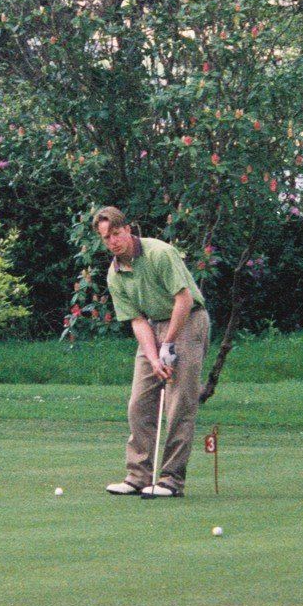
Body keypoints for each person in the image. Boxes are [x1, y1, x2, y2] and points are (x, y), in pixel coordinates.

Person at [94, 207, 209, 499]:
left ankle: (171, 479)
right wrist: (155, 357)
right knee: (138, 403)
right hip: (152, 326)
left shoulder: (160, 253)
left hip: (187, 321)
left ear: (127, 229)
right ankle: (138, 476)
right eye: (106, 238)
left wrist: (168, 344)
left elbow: (184, 300)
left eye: (116, 234)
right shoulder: (114, 274)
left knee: (179, 403)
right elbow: (137, 320)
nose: (112, 241)